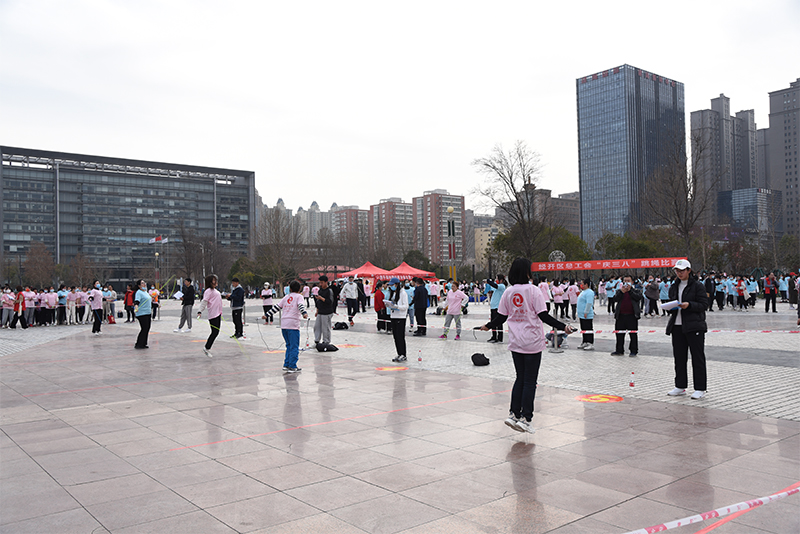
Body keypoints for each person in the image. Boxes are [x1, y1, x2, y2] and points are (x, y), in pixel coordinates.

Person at [481, 257, 576, 433]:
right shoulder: (534, 291)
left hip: (516, 342)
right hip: (532, 341)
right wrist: (564, 327)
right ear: (527, 272)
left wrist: (488, 326)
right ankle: (526, 418)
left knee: (520, 378)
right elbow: (543, 316)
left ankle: (513, 414)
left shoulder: (508, 292)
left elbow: (500, 317)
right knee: (530, 381)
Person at [665, 259, 708, 399]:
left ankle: (700, 388)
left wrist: (689, 305)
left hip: (694, 325)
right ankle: (680, 386)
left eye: (682, 270)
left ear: (689, 270)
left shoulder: (698, 286)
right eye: (677, 270)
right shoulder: (674, 286)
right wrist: (669, 307)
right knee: (679, 357)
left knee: (697, 357)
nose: (679, 273)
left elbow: (703, 305)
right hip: (677, 326)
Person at [262, 280, 309, 372]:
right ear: (299, 289)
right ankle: (292, 365)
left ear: (290, 289)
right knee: (294, 346)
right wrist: (304, 313)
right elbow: (300, 306)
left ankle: (286, 364)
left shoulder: (286, 297)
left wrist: (267, 315)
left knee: (288, 345)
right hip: (293, 324)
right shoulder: (299, 296)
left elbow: (276, 307)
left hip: (284, 324)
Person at [611, 275, 642, 357]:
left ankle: (633, 350)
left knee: (633, 334)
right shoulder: (619, 291)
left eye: (628, 280)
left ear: (632, 282)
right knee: (619, 334)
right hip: (620, 316)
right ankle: (619, 350)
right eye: (625, 281)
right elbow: (615, 299)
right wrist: (622, 292)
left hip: (632, 316)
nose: (626, 282)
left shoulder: (636, 290)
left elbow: (638, 298)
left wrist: (630, 290)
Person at [197, 275, 222, 358]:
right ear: (210, 282)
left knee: (216, 332)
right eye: (214, 280)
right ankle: (206, 348)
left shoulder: (214, 290)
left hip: (218, 313)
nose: (215, 282)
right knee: (214, 332)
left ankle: (207, 347)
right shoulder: (208, 291)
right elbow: (204, 302)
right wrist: (200, 311)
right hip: (213, 314)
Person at [384, 277, 409, 362]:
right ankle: (399, 353)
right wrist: (389, 305)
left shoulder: (403, 293)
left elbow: (406, 306)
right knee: (395, 336)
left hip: (401, 317)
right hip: (393, 316)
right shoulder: (393, 293)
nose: (391, 287)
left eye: (392, 285)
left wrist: (397, 307)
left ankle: (403, 354)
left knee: (400, 336)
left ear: (397, 284)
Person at [313, 275, 335, 347]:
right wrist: (317, 310)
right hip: (320, 311)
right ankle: (317, 340)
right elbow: (318, 302)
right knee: (317, 326)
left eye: (322, 283)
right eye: (320, 283)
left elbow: (330, 301)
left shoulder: (329, 291)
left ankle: (326, 341)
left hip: (327, 312)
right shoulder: (320, 290)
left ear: (326, 282)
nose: (321, 284)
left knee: (325, 327)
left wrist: (322, 298)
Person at [487, 275, 507, 343]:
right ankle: (494, 336)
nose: (496, 280)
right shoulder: (497, 286)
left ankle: (500, 338)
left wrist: (489, 281)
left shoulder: (502, 286)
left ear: (501, 280)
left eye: (497, 279)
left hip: (497, 307)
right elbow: (492, 288)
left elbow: (494, 285)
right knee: (493, 322)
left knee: (498, 323)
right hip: (493, 307)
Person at [576, 278, 595, 350]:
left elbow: (589, 303)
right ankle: (585, 341)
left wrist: (586, 312)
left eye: (582, 283)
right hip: (581, 314)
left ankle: (590, 343)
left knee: (588, 328)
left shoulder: (589, 292)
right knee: (583, 328)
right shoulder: (583, 291)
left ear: (586, 284)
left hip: (586, 314)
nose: (581, 285)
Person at [133, 279, 152, 349]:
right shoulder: (139, 292)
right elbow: (136, 301)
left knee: (147, 328)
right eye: (142, 283)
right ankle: (138, 344)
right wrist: (136, 307)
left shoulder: (146, 292)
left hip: (148, 312)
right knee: (144, 328)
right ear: (139, 286)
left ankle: (144, 343)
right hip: (142, 313)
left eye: (144, 283)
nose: (144, 284)